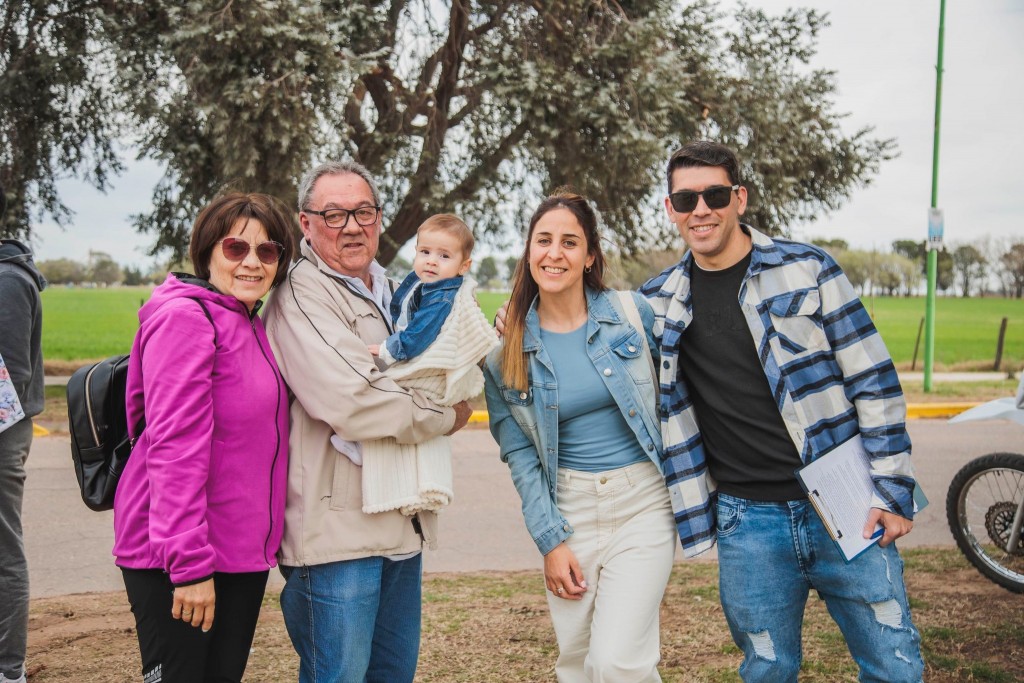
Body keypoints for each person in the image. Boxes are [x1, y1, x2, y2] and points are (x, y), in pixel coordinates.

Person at [639, 141, 923, 681]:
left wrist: (893, 488)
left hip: (848, 504)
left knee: (893, 666)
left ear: (739, 198)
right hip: (747, 522)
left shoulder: (809, 268)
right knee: (766, 669)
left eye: (715, 194)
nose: (700, 209)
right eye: (685, 199)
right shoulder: (658, 303)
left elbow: (874, 380)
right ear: (670, 209)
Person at [261, 160, 474, 683]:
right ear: (305, 223)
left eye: (363, 212)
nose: (352, 226)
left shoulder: (396, 289)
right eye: (333, 215)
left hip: (400, 522)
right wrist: (445, 414)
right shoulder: (302, 293)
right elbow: (354, 399)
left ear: (380, 218)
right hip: (338, 537)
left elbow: (439, 363)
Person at [483, 191, 675, 682]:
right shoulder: (506, 353)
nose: (555, 253)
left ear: (590, 256)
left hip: (643, 504)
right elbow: (520, 455)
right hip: (569, 509)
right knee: (579, 664)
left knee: (618, 662)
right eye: (543, 240)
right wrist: (551, 541)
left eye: (570, 242)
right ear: (529, 252)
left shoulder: (633, 316)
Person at [112, 193, 294, 683]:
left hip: (237, 552)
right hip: (182, 556)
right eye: (237, 248)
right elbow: (173, 449)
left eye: (268, 251)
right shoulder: (187, 319)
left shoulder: (244, 320)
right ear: (208, 251)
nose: (253, 262)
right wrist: (189, 566)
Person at [350, 214, 497, 515]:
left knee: (399, 401)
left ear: (463, 266)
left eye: (444, 256)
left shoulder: (442, 296)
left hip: (422, 359)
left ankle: (418, 485)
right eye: (425, 252)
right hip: (411, 346)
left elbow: (421, 334)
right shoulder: (420, 280)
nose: (431, 261)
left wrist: (391, 348)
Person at [0, 187, 46, 683]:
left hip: (2, 435)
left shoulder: (8, 281)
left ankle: (7, 670)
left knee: (3, 554)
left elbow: (5, 383)